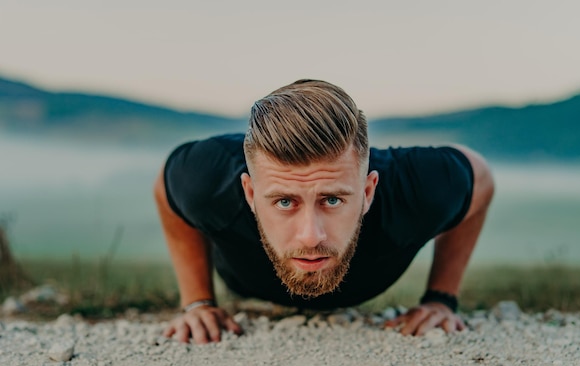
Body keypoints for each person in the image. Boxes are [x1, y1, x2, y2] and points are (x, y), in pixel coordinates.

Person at [154, 79, 494, 344]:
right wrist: (197, 301)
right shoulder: (205, 179)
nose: (311, 236)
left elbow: (480, 178)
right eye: (285, 202)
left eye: (332, 200)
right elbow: (165, 189)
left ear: (367, 192)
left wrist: (441, 298)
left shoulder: (415, 190)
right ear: (251, 193)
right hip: (243, 283)